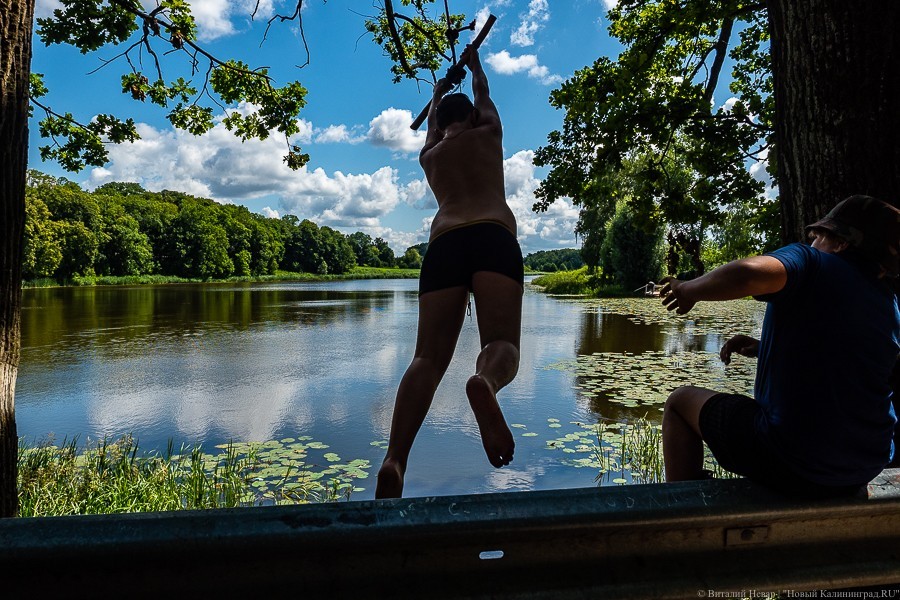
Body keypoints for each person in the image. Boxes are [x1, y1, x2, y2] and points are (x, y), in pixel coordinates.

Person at [660, 195, 899, 498]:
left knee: (679, 403)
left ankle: (684, 509)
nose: (812, 243)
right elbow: (845, 359)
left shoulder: (812, 263)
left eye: (818, 237)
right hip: (865, 466)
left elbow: (749, 274)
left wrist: (686, 289)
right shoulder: (888, 302)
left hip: (791, 459)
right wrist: (763, 348)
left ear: (841, 243)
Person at [375, 46, 523, 499]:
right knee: (501, 343)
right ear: (474, 117)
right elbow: (483, 93)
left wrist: (437, 94)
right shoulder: (489, 132)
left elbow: (433, 130)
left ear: (439, 125)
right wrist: (475, 66)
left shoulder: (431, 156)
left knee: (426, 359)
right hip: (493, 234)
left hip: (445, 244)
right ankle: (484, 382)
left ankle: (395, 459)